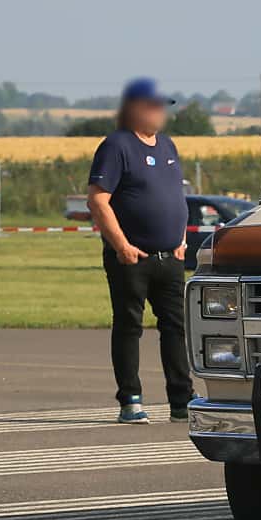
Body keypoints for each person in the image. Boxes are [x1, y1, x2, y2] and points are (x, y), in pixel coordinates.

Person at [86, 78, 193, 423]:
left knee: (176, 328)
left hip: (170, 258)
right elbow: (98, 199)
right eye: (153, 106)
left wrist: (181, 240)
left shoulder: (167, 146)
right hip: (132, 258)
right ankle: (130, 399)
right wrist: (121, 245)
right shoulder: (116, 146)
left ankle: (182, 399)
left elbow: (176, 197)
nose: (160, 113)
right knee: (130, 326)